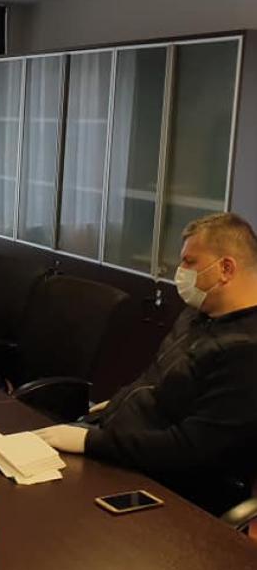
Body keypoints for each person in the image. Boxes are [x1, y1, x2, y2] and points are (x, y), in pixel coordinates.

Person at [36, 212, 257, 515]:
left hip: (168, 488)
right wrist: (119, 404)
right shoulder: (199, 313)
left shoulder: (246, 352)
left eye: (190, 262)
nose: (180, 272)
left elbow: (189, 450)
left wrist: (90, 442)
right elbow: (158, 380)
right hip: (120, 444)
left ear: (226, 269)